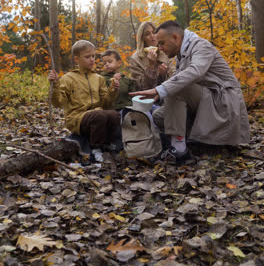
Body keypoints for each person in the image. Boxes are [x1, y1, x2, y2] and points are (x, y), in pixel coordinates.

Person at [130, 20, 250, 165]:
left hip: (223, 103)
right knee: (159, 115)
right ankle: (196, 141)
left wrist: (160, 89)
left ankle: (179, 150)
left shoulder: (201, 46)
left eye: (162, 43)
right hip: (206, 102)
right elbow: (177, 82)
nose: (159, 47)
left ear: (175, 37)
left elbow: (195, 71)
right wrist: (159, 92)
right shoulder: (181, 54)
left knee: (177, 87)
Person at [48, 40, 121, 162]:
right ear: (77, 59)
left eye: (93, 56)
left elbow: (106, 104)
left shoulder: (99, 78)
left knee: (114, 115)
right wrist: (55, 84)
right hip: (76, 118)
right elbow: (57, 103)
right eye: (87, 57)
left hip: (96, 114)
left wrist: (113, 89)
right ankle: (94, 149)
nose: (92, 59)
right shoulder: (68, 79)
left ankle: (107, 146)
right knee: (99, 116)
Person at [129, 21, 175, 90]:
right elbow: (140, 87)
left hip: (166, 94)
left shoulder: (166, 53)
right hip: (146, 98)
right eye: (147, 34)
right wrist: (150, 67)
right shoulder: (136, 59)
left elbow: (175, 80)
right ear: (142, 38)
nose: (152, 36)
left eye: (154, 32)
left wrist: (164, 75)